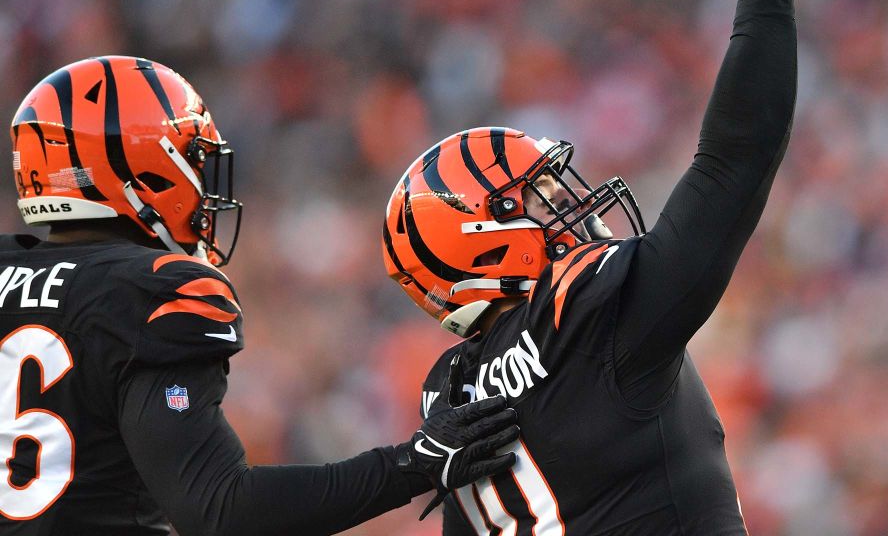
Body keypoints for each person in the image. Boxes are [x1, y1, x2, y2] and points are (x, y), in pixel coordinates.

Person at [380, 0, 819, 534]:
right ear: (482, 242)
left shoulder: (448, 402)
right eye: (537, 198)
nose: (567, 206)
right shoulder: (585, 316)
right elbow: (736, 157)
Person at [1, 56, 519, 535]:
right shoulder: (153, 288)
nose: (204, 187)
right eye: (191, 161)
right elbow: (219, 509)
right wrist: (411, 464)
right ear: (144, 172)